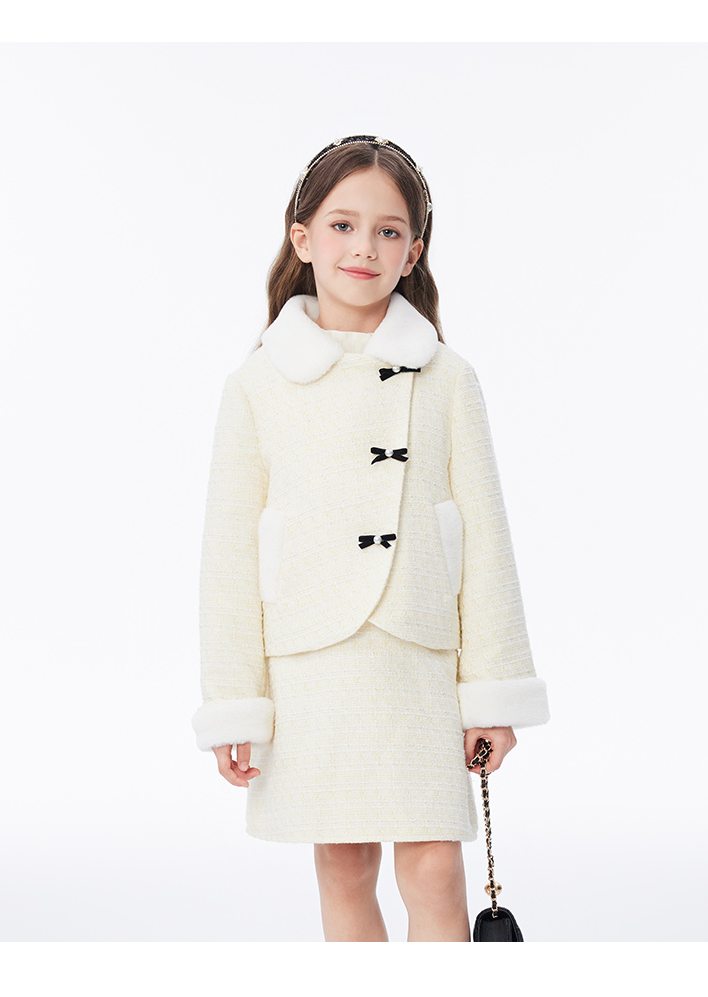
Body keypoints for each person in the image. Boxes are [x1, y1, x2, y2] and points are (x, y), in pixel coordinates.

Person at [191, 135, 550, 942]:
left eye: (389, 231)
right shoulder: (256, 384)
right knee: (345, 863)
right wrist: (235, 700)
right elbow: (228, 556)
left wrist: (493, 690)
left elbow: (487, 540)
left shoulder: (448, 377)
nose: (364, 247)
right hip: (311, 663)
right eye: (343, 224)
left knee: (434, 867)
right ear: (302, 237)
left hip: (419, 659)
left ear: (413, 251)